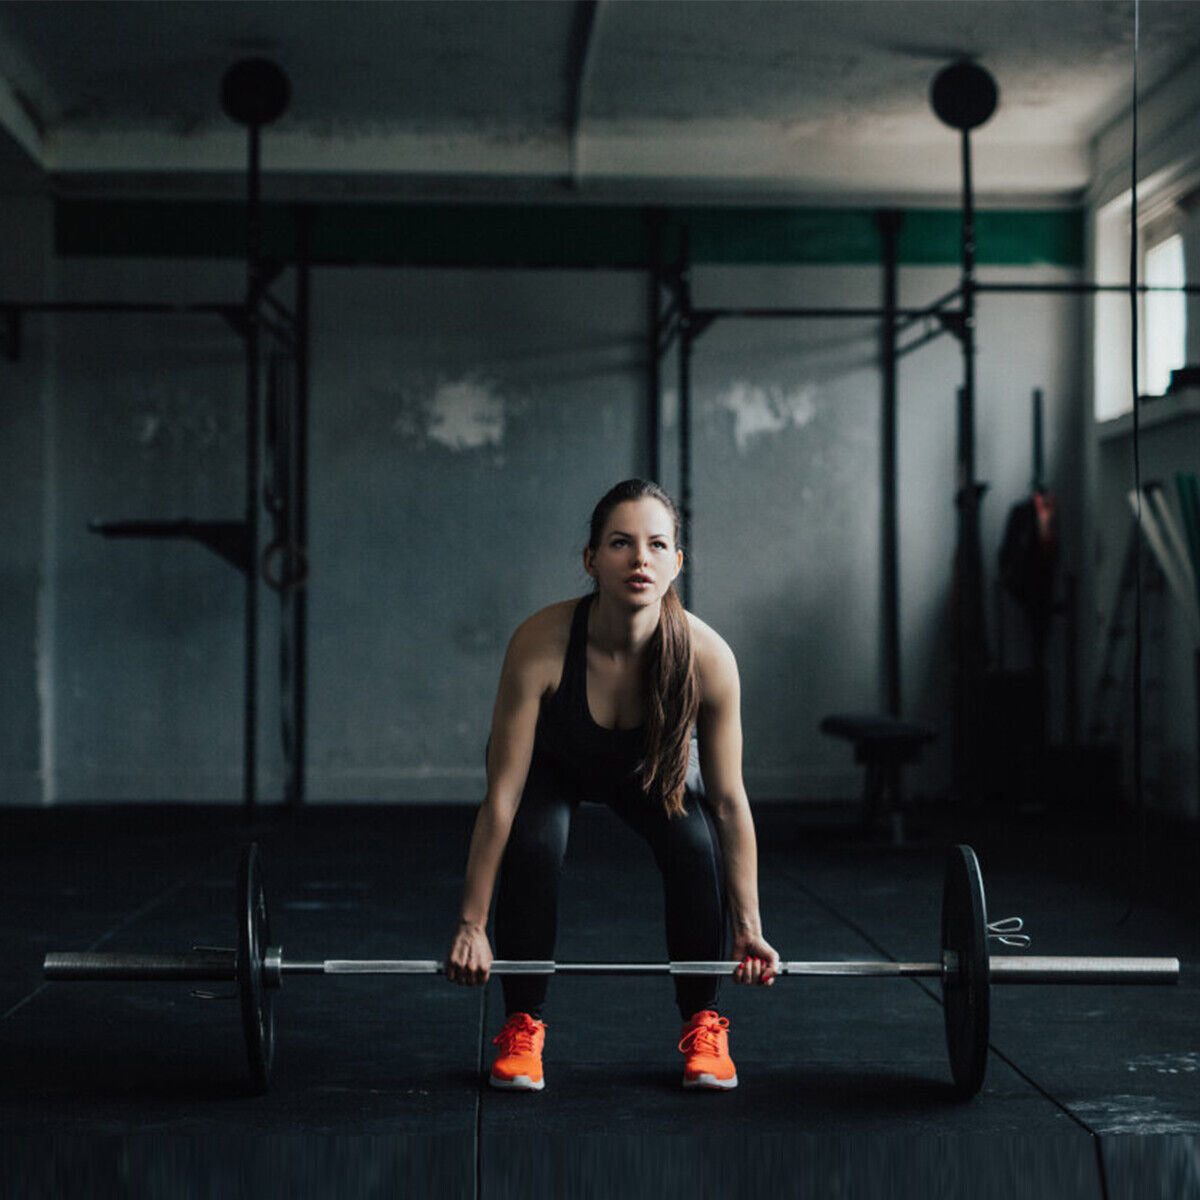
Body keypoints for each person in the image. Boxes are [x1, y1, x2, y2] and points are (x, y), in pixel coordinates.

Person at [446, 478, 778, 1091]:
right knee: (536, 842)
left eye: (656, 545)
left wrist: (749, 927)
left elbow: (730, 802)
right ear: (591, 558)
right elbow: (502, 795)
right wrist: (472, 923)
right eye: (621, 543)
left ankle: (704, 1022)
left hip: (650, 767)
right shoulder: (540, 644)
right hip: (551, 764)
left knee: (694, 846)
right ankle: (522, 1024)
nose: (640, 559)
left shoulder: (708, 659)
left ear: (677, 562)